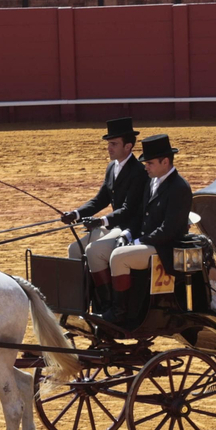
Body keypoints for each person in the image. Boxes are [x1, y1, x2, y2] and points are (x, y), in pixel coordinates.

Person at [59, 116, 148, 310]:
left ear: (128, 146)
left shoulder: (138, 172)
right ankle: (80, 302)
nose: (109, 148)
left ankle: (108, 304)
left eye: (114, 144)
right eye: (109, 144)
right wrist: (75, 214)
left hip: (129, 228)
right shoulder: (111, 167)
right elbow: (100, 199)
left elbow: (128, 210)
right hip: (112, 225)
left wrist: (100, 221)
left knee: (94, 251)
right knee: (74, 249)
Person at [103, 132, 191, 327]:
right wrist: (128, 234)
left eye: (150, 163)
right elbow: (140, 216)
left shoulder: (179, 188)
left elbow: (168, 230)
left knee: (119, 257)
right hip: (149, 242)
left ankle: (120, 312)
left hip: (165, 248)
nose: (146, 167)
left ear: (165, 161)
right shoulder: (152, 182)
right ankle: (109, 304)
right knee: (111, 249)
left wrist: (139, 241)